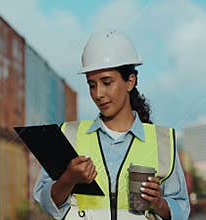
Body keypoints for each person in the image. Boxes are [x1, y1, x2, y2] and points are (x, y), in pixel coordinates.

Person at [33, 29, 190, 220]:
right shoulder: (69, 135)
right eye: (92, 84)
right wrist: (68, 179)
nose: (98, 93)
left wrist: (159, 203)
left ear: (130, 81)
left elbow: (181, 210)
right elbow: (45, 202)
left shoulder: (163, 142)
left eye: (107, 82)